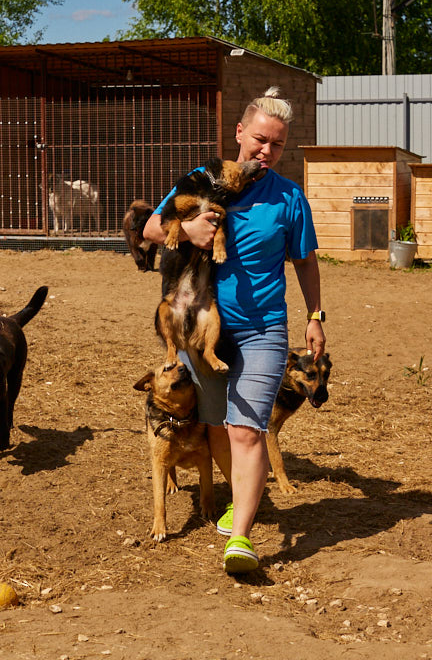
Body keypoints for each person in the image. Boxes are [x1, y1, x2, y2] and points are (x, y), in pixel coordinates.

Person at [143, 86, 326, 574]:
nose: (266, 151)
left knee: (248, 429)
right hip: (200, 330)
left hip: (263, 328)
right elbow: (151, 229)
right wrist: (189, 231)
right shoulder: (203, 180)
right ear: (240, 133)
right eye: (260, 139)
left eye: (277, 145)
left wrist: (315, 316)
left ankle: (240, 538)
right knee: (218, 424)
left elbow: (305, 262)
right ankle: (241, 495)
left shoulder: (289, 198)